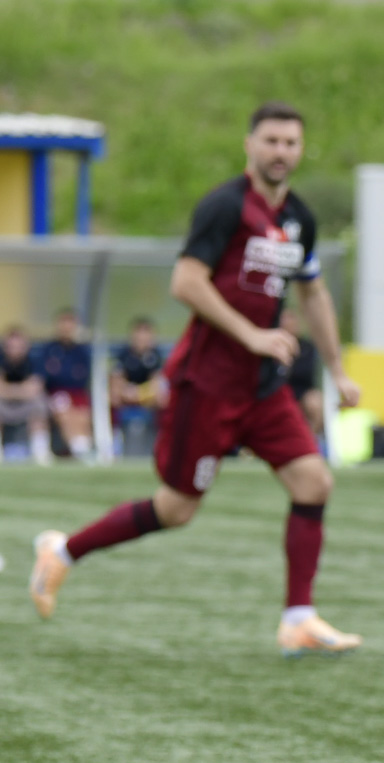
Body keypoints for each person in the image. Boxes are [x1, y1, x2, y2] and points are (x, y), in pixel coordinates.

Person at [29, 102, 364, 657]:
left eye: (290, 142)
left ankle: (298, 619)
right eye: (271, 140)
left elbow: (313, 293)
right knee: (176, 509)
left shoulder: (299, 219)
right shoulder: (225, 206)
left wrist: (338, 370)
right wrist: (251, 334)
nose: (281, 151)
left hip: (261, 388)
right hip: (206, 386)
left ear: (301, 150)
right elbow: (186, 282)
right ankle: (62, 552)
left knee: (314, 482)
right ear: (249, 145)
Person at [38, 308, 96, 462]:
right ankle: (80, 449)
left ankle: (83, 446)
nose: (66, 327)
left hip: (77, 394)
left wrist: (62, 373)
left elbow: (80, 378)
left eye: (70, 323)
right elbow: (50, 377)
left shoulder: (81, 351)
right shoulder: (49, 349)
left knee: (82, 415)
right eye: (63, 322)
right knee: (65, 411)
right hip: (55, 393)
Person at [110, 316, 168, 457]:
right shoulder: (123, 355)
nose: (142, 338)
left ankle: (162, 445)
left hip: (147, 401)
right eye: (139, 334)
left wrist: (138, 394)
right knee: (113, 397)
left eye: (146, 334)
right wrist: (128, 392)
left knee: (163, 399)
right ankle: (114, 444)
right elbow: (116, 384)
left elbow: (157, 386)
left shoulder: (156, 356)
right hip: (126, 400)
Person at [0, 326, 51, 465]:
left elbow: (35, 388)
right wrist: (21, 389)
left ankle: (40, 452)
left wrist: (9, 390)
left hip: (27, 403)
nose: (15, 350)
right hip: (4, 404)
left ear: (26, 347)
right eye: (11, 346)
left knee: (39, 402)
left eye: (19, 346)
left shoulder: (35, 359)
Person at [280, 307, 325, 434]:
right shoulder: (274, 345)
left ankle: (310, 438)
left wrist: (288, 365)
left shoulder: (307, 347)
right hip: (279, 391)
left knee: (315, 402)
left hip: (302, 393)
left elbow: (306, 372)